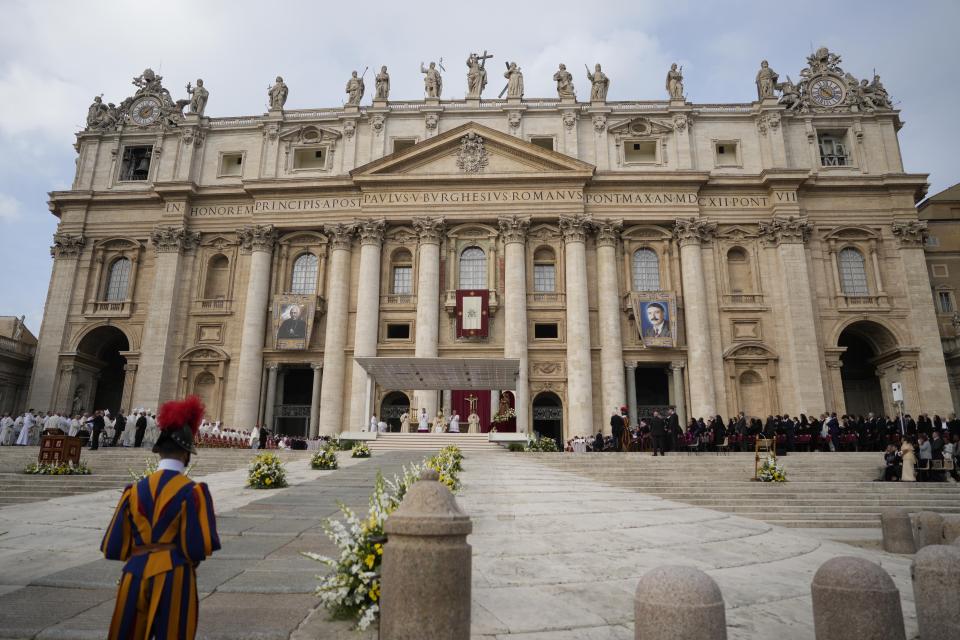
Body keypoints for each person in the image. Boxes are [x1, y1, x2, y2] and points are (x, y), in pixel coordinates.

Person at [101, 395, 220, 640]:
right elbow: (199, 547)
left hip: (133, 573)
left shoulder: (132, 491)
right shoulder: (194, 492)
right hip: (174, 574)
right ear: (187, 454)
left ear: (158, 452)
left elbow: (113, 546)